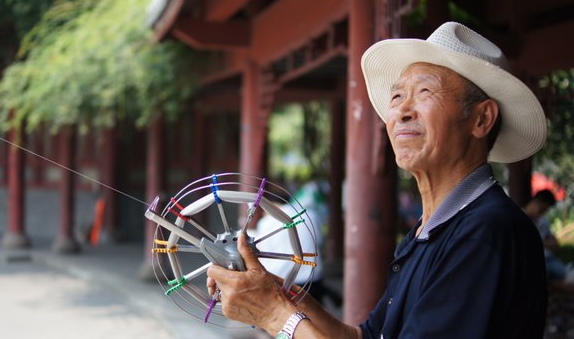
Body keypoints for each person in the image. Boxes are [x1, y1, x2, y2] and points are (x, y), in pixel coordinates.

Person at [207, 22, 548, 338]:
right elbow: (365, 337)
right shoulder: (428, 231)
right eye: (397, 96)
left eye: (425, 91)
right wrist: (274, 292)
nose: (400, 111)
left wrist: (273, 315)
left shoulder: (488, 232)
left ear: (481, 119)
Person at [525, 190, 573, 285]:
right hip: (531, 261)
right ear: (536, 202)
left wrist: (538, 242)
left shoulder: (543, 221)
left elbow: (556, 245)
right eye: (542, 209)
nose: (543, 213)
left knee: (570, 276)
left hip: (548, 259)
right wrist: (544, 242)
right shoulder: (519, 217)